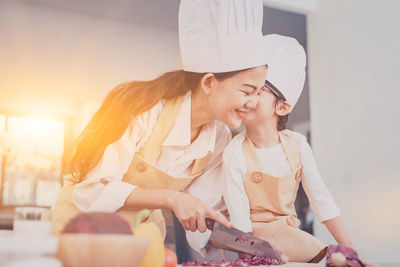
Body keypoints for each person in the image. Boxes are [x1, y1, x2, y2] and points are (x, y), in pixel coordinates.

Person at [51, 0, 269, 239]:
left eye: (259, 93)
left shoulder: (219, 139)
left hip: (140, 234)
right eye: (248, 91)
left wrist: (253, 244)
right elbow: (92, 191)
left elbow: (204, 214)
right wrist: (172, 198)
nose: (255, 103)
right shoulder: (144, 110)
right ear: (208, 82)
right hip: (80, 229)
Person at [222, 34, 356, 263]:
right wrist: (252, 259)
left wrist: (353, 254)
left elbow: (321, 201)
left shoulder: (297, 145)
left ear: (282, 106)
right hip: (249, 240)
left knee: (333, 258)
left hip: (287, 233)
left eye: (259, 91)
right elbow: (240, 221)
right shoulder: (234, 152)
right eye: (246, 90)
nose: (248, 99)